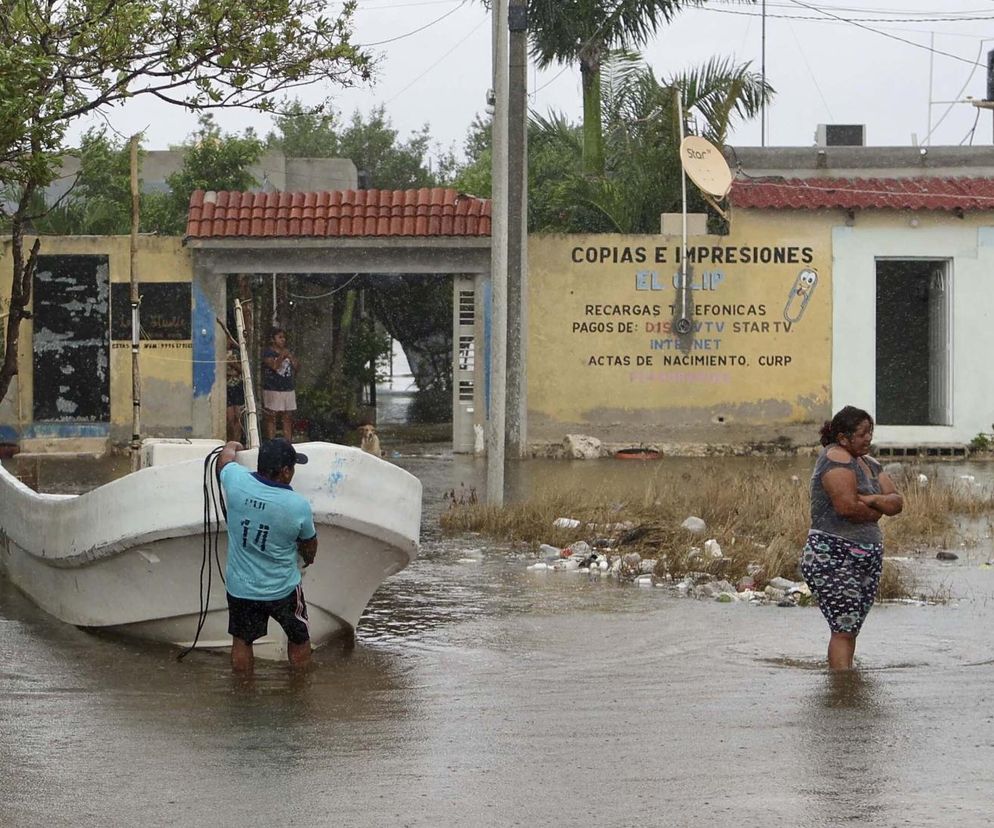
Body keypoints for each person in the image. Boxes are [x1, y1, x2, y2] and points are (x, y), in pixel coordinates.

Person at [800, 406, 903, 670]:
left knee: (851, 626)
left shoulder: (870, 463)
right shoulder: (835, 456)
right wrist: (878, 509)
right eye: (862, 433)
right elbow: (847, 507)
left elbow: (897, 503)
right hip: (831, 553)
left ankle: (845, 683)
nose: (868, 438)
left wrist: (872, 499)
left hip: (867, 554)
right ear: (844, 437)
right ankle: (841, 689)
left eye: (870, 432)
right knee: (844, 627)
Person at [217, 438, 318, 672]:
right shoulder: (297, 505)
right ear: (284, 471)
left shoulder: (236, 481)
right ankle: (300, 691)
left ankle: (243, 694)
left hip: (241, 589)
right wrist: (308, 559)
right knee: (299, 637)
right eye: (292, 467)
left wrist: (233, 445)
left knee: (242, 640)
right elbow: (310, 546)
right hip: (282, 589)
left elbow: (223, 462)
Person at [262, 326, 300, 441]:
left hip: (287, 388)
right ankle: (271, 441)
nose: (283, 340)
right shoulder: (268, 352)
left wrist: (290, 357)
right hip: (273, 388)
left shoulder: (287, 352)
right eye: (280, 337)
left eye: (284, 337)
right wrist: (282, 356)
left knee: (287, 417)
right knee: (271, 416)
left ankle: (288, 442)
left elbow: (297, 367)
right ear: (273, 339)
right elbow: (274, 366)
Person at [225, 342, 245, 443]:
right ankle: (230, 440)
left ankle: (237, 441)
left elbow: (243, 369)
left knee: (238, 417)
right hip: (226, 388)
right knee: (229, 419)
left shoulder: (237, 353)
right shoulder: (219, 353)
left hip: (237, 387)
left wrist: (233, 364)